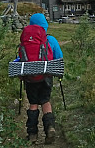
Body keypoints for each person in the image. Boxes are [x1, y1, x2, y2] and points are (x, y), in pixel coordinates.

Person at [24, 13, 63, 144]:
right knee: (46, 101)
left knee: (33, 104)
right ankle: (50, 128)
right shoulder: (51, 40)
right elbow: (59, 58)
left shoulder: (26, 40)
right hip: (46, 77)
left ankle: (32, 135)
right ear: (45, 25)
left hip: (30, 78)